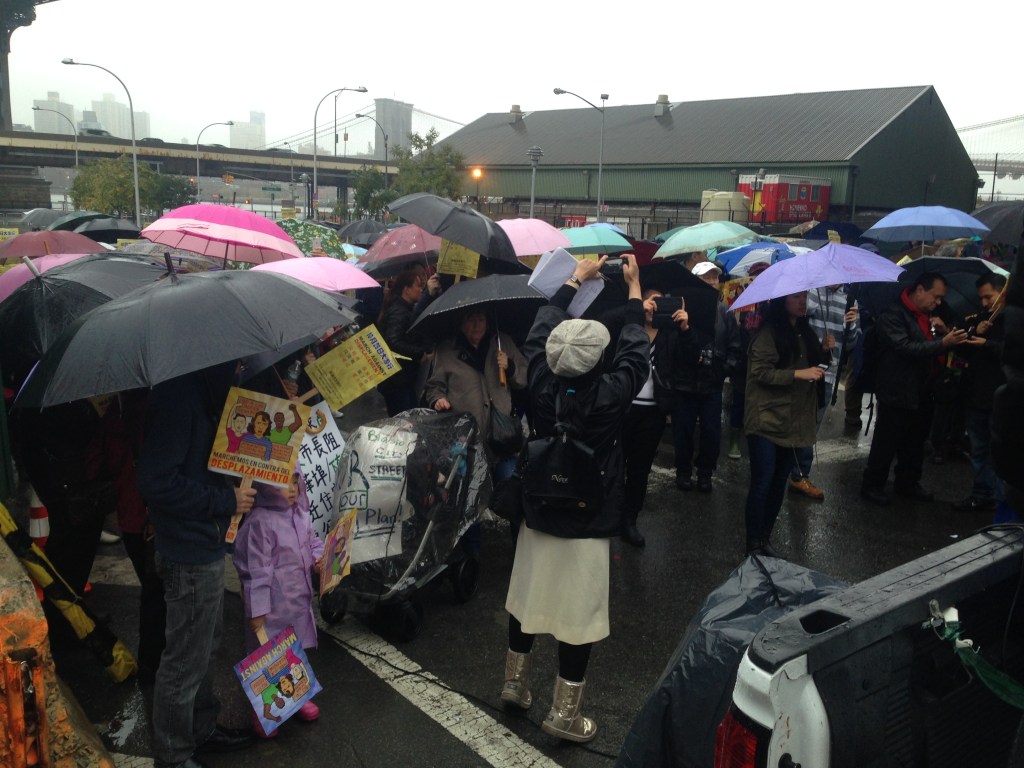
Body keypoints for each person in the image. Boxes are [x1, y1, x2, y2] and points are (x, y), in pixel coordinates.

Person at [501, 253, 647, 743]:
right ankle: (565, 715)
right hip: (588, 518)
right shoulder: (610, 394)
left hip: (539, 508)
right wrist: (632, 291)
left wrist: (572, 281)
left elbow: (539, 333)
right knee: (577, 616)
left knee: (526, 599)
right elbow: (636, 354)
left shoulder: (542, 383)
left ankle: (515, 685)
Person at [136, 364, 258, 768]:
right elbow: (157, 482)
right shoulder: (177, 394)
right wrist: (224, 503)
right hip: (186, 551)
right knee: (185, 658)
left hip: (205, 545)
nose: (241, 363)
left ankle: (201, 728)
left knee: (205, 647)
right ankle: (173, 755)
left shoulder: (208, 384)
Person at [860, 273, 973, 506]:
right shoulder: (893, 314)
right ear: (920, 290)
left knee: (915, 440)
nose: (939, 302)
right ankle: (873, 485)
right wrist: (942, 343)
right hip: (896, 388)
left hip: (923, 388)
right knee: (887, 441)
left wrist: (942, 332)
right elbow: (905, 347)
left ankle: (908, 482)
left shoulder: (931, 315)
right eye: (936, 297)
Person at [233, 468, 324, 738]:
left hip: (297, 602)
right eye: (284, 482)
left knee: (295, 651)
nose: (293, 488)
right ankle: (264, 708)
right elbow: (255, 570)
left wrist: (320, 558)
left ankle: (297, 696)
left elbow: (312, 541)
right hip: (271, 609)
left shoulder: (300, 514)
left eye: (295, 481)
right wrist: (257, 609)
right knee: (268, 657)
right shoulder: (260, 522)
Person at [742, 292, 827, 557]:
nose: (802, 302)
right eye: (795, 297)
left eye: (804, 296)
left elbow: (815, 366)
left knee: (779, 483)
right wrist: (796, 374)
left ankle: (765, 538)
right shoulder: (768, 333)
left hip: (792, 420)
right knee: (763, 482)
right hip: (766, 419)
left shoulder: (803, 330)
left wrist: (825, 350)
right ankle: (753, 542)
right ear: (781, 301)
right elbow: (759, 373)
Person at [423, 308, 528, 484]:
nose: (477, 324)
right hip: (466, 438)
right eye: (471, 319)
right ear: (461, 323)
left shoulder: (503, 343)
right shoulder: (447, 350)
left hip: (503, 434)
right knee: (470, 492)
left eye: (481, 318)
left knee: (509, 484)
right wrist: (438, 399)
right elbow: (434, 386)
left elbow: (523, 379)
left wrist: (510, 368)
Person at [619, 287, 689, 546]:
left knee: (640, 469)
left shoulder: (671, 334)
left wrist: (685, 330)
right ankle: (611, 513)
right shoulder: (628, 328)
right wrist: (635, 311)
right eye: (651, 300)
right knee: (616, 465)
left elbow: (689, 362)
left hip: (653, 412)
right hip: (624, 408)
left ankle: (629, 520)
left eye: (662, 301)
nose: (656, 307)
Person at [670, 261, 740, 492]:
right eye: (705, 278)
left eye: (714, 278)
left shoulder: (725, 312)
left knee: (711, 432)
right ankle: (683, 471)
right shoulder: (680, 310)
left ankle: (705, 473)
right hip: (684, 383)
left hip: (712, 384)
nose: (711, 282)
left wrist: (722, 369)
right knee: (683, 431)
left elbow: (734, 347)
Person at [788, 286, 859, 500]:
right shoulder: (809, 292)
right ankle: (787, 468)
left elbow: (851, 344)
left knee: (812, 424)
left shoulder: (850, 300)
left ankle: (800, 474)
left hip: (828, 373)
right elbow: (798, 318)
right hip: (802, 367)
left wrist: (852, 324)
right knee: (792, 419)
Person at [952, 273, 1007, 511]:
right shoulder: (979, 318)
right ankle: (981, 493)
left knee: (1001, 452)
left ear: (1001, 293)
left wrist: (990, 344)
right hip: (976, 394)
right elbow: (963, 351)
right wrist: (975, 332)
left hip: (1001, 396)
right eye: (981, 298)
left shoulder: (1013, 319)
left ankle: (1003, 499)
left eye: (989, 297)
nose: (984, 303)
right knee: (979, 448)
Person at [376, 269, 436, 416]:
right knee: (402, 422)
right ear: (406, 289)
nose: (421, 290)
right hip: (397, 380)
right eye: (417, 286)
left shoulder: (405, 308)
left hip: (402, 378)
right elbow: (393, 341)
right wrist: (419, 353)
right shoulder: (399, 311)